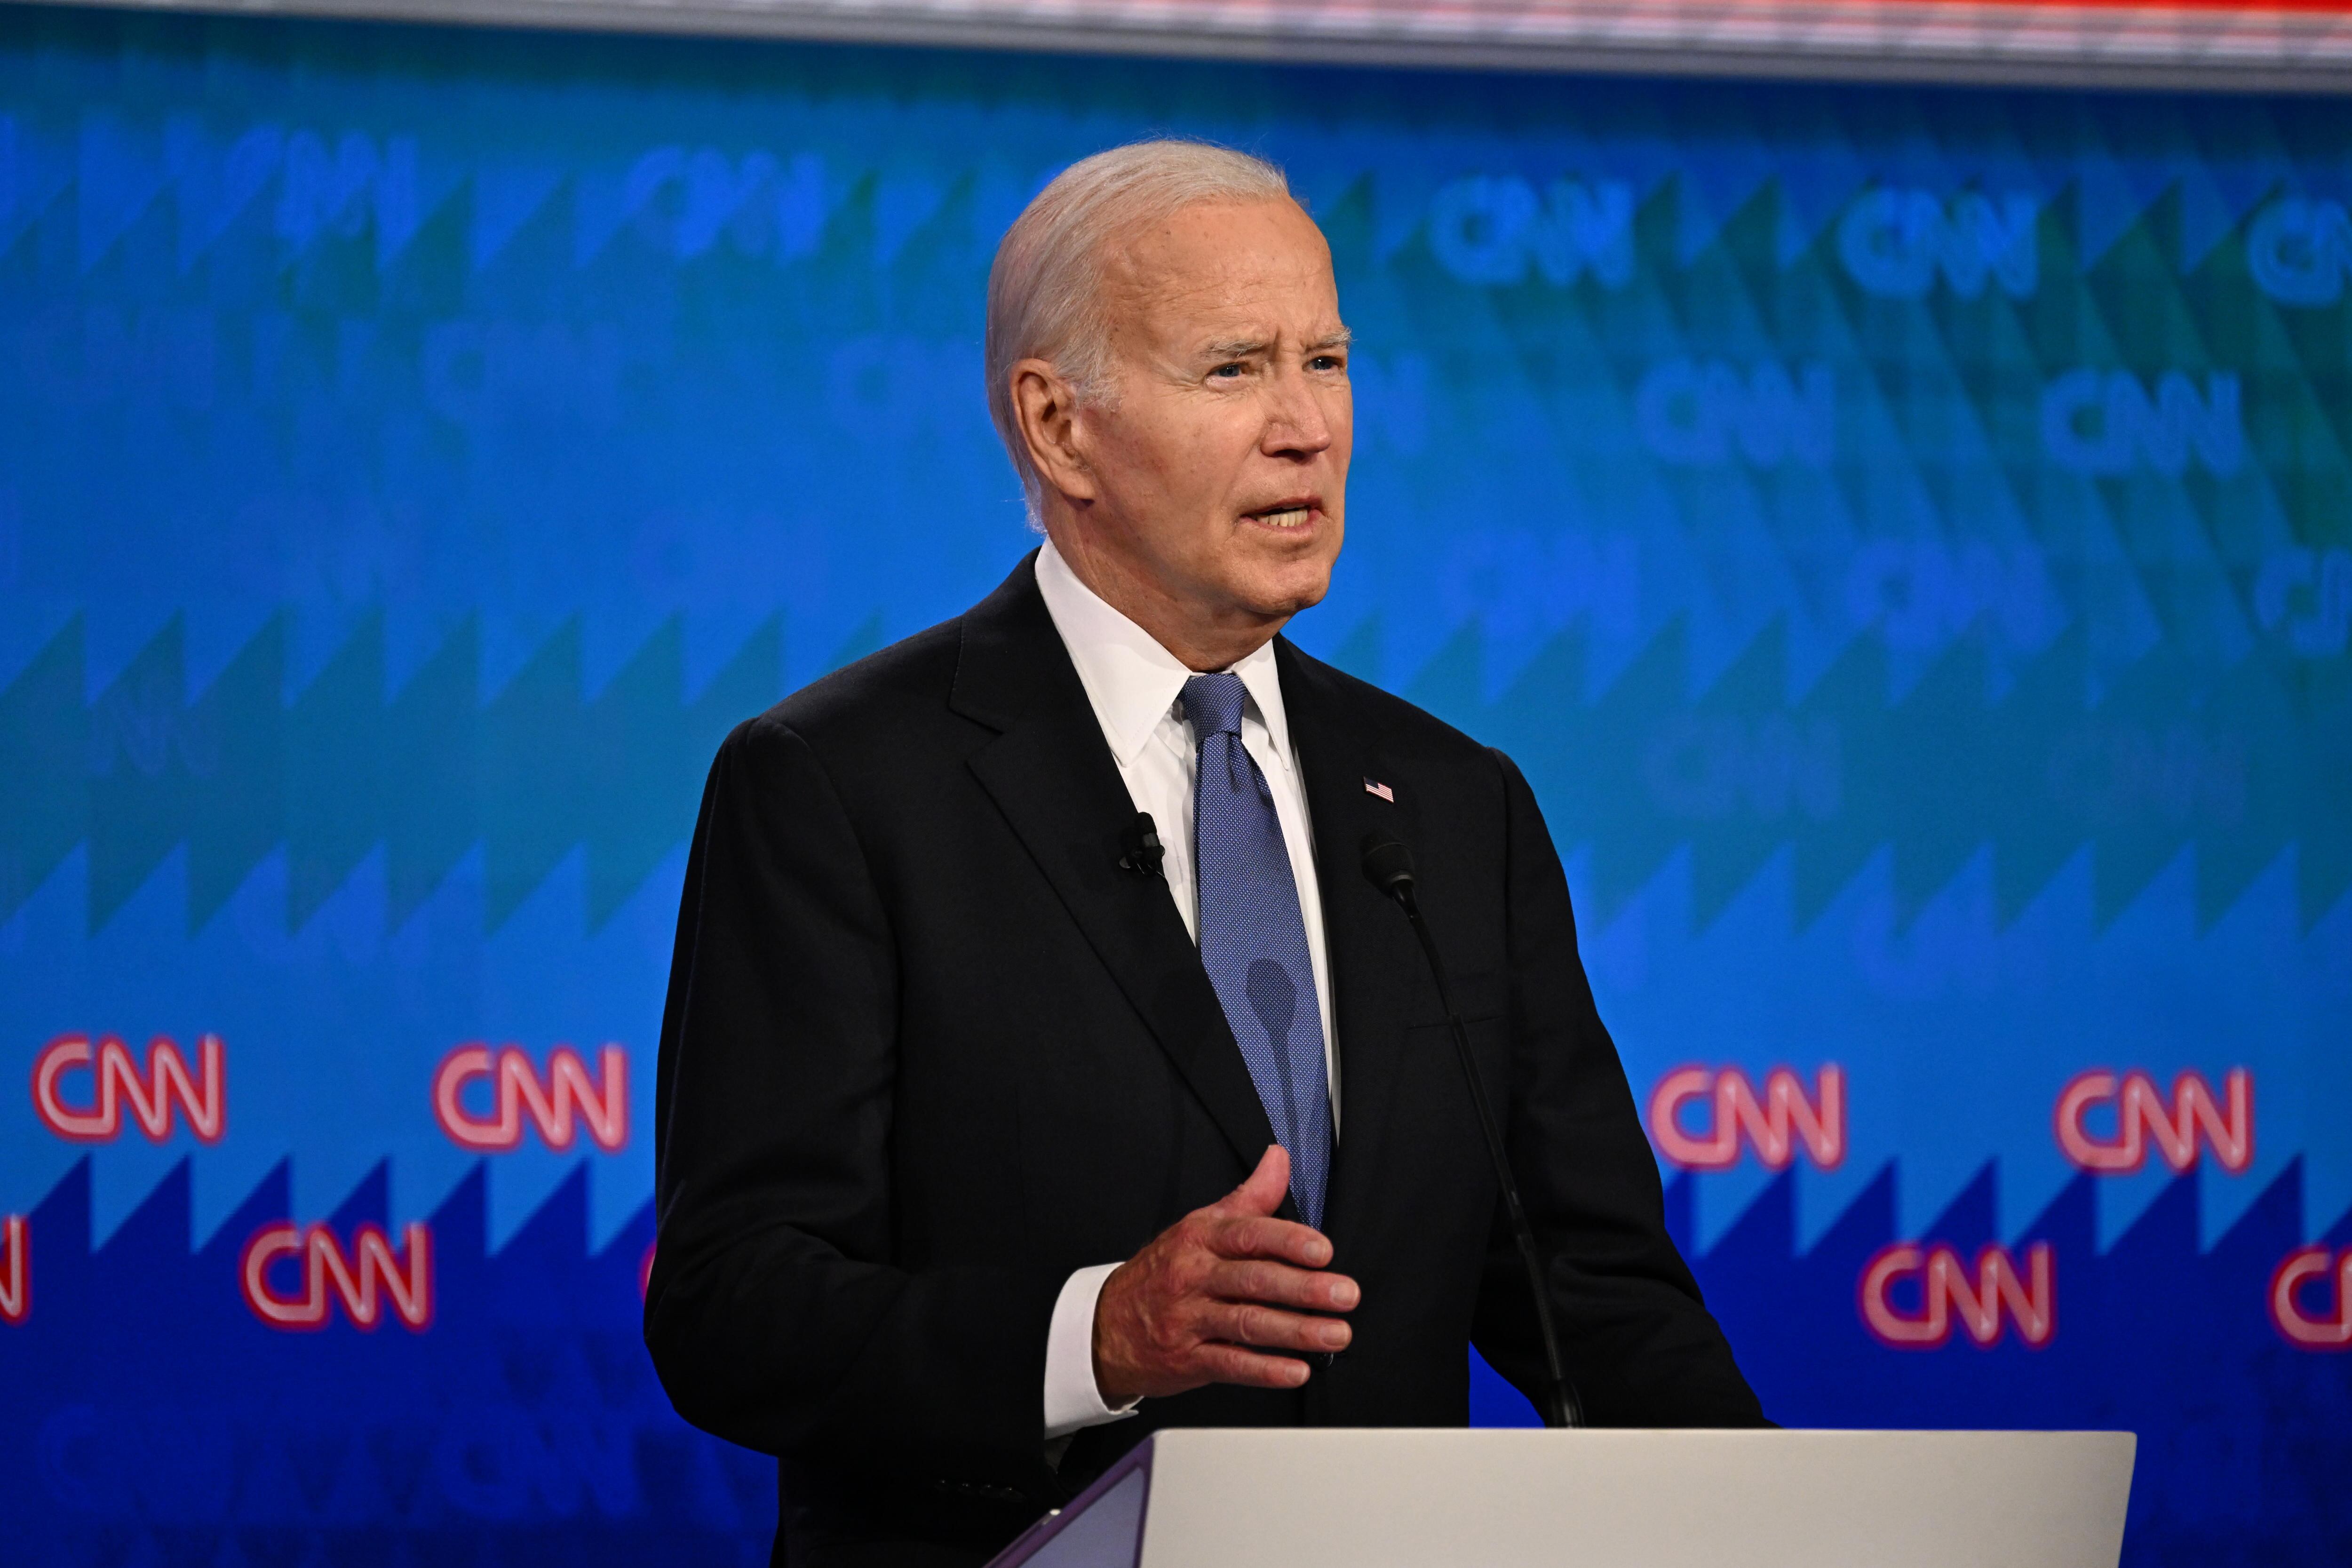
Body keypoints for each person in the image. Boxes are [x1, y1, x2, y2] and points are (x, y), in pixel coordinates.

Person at [647, 139, 1764, 1567]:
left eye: (1329, 361)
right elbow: (734, 1308)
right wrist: (1098, 1335)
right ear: (1058, 430)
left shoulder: (1449, 802)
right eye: (1235, 370)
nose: (1308, 426)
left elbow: (1590, 1290)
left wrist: (1765, 1517)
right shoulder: (841, 789)